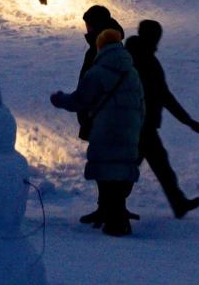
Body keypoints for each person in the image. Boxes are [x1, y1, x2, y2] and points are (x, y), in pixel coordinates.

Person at [51, 26, 144, 235]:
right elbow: (141, 104)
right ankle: (114, 215)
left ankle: (116, 222)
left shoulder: (97, 72)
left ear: (100, 47)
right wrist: (136, 125)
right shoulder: (132, 73)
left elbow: (80, 100)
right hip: (129, 129)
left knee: (106, 173)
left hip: (106, 129)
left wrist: (60, 100)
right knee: (119, 172)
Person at [125, 20, 199, 217]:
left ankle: (178, 203)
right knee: (141, 167)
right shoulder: (138, 60)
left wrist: (188, 121)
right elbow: (162, 95)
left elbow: (164, 95)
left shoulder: (146, 60)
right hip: (138, 125)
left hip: (143, 124)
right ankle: (112, 206)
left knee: (153, 167)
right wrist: (188, 121)